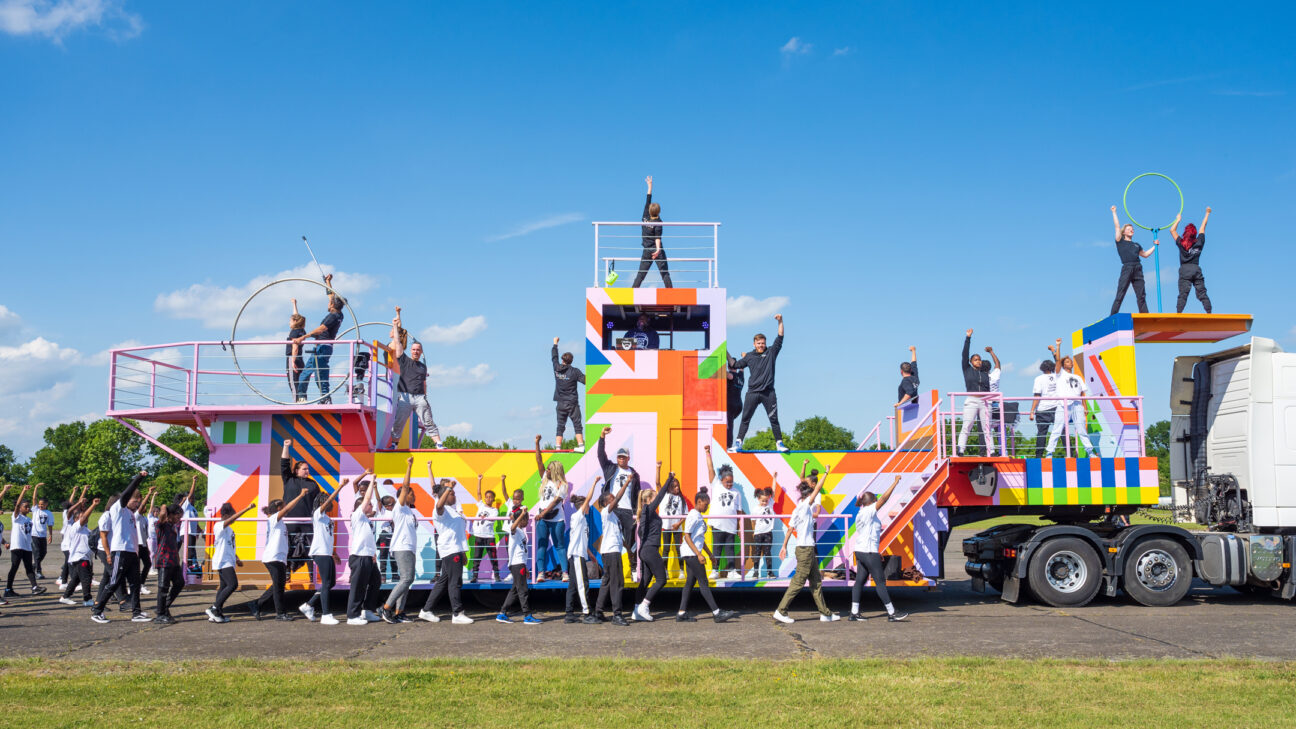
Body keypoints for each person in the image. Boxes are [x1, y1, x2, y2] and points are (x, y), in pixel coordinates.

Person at [773, 463, 838, 623]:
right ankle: (781, 611)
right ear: (808, 496)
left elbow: (790, 529)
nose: (814, 497)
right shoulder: (804, 507)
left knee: (816, 582)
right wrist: (826, 473)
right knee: (799, 581)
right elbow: (817, 489)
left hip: (804, 548)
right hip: (806, 549)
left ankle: (825, 613)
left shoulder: (798, 509)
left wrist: (783, 546)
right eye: (812, 495)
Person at [848, 476, 909, 622]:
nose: (877, 501)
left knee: (859, 582)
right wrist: (895, 482)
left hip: (862, 552)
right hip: (868, 552)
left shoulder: (861, 513)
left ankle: (854, 613)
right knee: (880, 582)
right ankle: (892, 613)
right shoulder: (869, 510)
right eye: (875, 499)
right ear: (871, 502)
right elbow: (884, 500)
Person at [91, 471, 149, 624]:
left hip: (132, 552)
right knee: (115, 581)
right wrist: (139, 478)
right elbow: (129, 490)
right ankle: (97, 611)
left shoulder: (130, 513)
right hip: (120, 551)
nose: (137, 504)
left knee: (135, 584)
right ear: (127, 499)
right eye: (135, 501)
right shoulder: (119, 508)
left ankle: (136, 613)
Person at [419, 463, 473, 624]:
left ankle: (426, 610)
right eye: (452, 493)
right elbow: (439, 503)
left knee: (443, 581)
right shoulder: (440, 510)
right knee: (454, 582)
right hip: (450, 550)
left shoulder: (453, 510)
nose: (454, 495)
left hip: (455, 549)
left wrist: (463, 552)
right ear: (445, 495)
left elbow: (458, 534)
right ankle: (457, 613)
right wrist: (448, 488)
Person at [676, 489, 739, 623]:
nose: (707, 507)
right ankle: (717, 613)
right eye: (706, 504)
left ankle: (681, 613)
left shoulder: (698, 515)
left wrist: (710, 554)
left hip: (692, 553)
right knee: (703, 582)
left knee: (690, 583)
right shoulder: (693, 515)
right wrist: (698, 554)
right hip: (691, 554)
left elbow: (699, 538)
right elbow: (686, 536)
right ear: (699, 502)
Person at [388, 307, 443, 449]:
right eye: (413, 349)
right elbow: (398, 343)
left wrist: (425, 397)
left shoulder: (423, 367)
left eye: (418, 350)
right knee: (399, 421)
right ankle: (394, 444)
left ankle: (438, 443)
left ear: (421, 352)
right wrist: (395, 325)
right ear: (410, 351)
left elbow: (424, 383)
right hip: (405, 397)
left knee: (428, 420)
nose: (415, 351)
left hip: (419, 397)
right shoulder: (404, 360)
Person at [251, 486, 309, 621]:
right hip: (273, 557)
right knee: (278, 587)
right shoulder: (274, 519)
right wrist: (300, 496)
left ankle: (257, 604)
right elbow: (288, 508)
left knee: (279, 585)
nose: (285, 509)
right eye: (282, 507)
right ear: (278, 509)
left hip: (279, 558)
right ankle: (279, 613)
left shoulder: (280, 522)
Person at [732, 314, 787, 452]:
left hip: (768, 393)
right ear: (754, 344)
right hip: (752, 393)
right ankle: (738, 443)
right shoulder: (749, 356)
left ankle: (779, 443)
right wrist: (724, 352)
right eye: (759, 343)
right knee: (746, 418)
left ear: (765, 343)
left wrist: (780, 321)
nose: (761, 345)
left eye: (763, 343)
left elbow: (780, 336)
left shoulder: (771, 352)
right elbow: (735, 364)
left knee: (774, 419)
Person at [299, 476, 346, 625]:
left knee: (330, 583)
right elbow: (326, 502)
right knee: (326, 583)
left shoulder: (326, 519)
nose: (330, 503)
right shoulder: (318, 514)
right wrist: (340, 487)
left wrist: (334, 553)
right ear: (322, 503)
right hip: (319, 552)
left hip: (327, 553)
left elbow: (328, 537)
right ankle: (326, 615)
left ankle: (308, 605)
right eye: (328, 501)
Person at [376, 461, 419, 624]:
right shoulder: (399, 508)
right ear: (404, 494)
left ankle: (399, 612)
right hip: (402, 547)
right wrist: (409, 467)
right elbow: (405, 485)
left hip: (410, 548)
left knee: (407, 579)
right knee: (407, 579)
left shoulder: (409, 510)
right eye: (411, 493)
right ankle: (385, 608)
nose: (413, 495)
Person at [293, 272, 345, 404]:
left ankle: (320, 398)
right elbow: (331, 296)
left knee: (316, 375)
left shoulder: (332, 317)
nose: (328, 303)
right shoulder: (339, 314)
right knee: (311, 374)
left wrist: (303, 337)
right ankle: (307, 397)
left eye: (330, 303)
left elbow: (321, 329)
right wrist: (328, 282)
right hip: (322, 348)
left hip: (322, 348)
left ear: (333, 305)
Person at [596, 426, 640, 574]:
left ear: (628, 458)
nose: (621, 459)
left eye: (623, 457)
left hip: (627, 510)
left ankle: (633, 567)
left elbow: (638, 494)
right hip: (612, 509)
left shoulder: (634, 473)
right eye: (619, 457)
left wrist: (638, 509)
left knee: (630, 539)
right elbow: (601, 455)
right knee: (612, 537)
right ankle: (611, 569)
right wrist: (602, 437)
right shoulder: (610, 468)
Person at [632, 465, 672, 622]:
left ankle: (636, 610)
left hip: (645, 550)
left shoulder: (645, 514)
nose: (657, 501)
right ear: (649, 500)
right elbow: (661, 495)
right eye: (654, 498)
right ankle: (644, 606)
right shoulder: (648, 509)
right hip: (649, 550)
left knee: (646, 581)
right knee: (662, 579)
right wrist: (669, 478)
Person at [593, 473, 634, 625]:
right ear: (606, 503)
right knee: (617, 582)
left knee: (608, 581)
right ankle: (617, 614)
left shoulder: (614, 517)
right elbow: (618, 497)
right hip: (611, 552)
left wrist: (628, 549)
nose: (614, 499)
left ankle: (598, 611)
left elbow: (618, 535)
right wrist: (627, 482)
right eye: (611, 498)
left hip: (612, 550)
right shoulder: (606, 512)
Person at [205, 501, 256, 623]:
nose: (234, 520)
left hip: (229, 560)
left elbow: (229, 545)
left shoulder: (230, 530)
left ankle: (217, 613)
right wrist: (246, 508)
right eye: (232, 516)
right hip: (222, 561)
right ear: (226, 515)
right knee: (233, 584)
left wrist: (237, 558)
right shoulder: (219, 525)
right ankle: (214, 608)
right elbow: (231, 519)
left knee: (223, 586)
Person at [279, 440, 320, 581]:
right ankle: (287, 575)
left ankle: (311, 576)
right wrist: (286, 446)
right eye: (304, 469)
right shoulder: (289, 479)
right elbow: (284, 463)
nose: (307, 471)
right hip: (290, 520)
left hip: (307, 522)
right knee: (288, 548)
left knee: (310, 549)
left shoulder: (313, 484)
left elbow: (319, 503)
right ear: (296, 470)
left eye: (308, 469)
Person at [703, 445, 746, 579]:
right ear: (722, 480)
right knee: (717, 548)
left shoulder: (736, 492)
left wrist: (740, 527)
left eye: (731, 482)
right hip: (717, 524)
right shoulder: (716, 485)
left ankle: (732, 570)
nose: (729, 484)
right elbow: (710, 469)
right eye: (727, 482)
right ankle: (715, 570)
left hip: (731, 525)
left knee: (730, 549)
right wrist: (708, 453)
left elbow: (739, 512)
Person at [346, 473, 383, 625]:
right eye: (369, 505)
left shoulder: (367, 520)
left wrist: (373, 554)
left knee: (376, 582)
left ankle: (367, 610)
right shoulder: (357, 515)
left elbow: (369, 538)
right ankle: (352, 616)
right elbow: (366, 499)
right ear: (362, 506)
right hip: (359, 557)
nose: (372, 506)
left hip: (368, 557)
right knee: (358, 587)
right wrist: (372, 480)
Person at [534, 434, 571, 581]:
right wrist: (537, 443)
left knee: (560, 546)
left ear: (555, 470)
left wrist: (543, 514)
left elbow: (556, 501)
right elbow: (538, 461)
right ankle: (541, 572)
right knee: (542, 544)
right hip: (542, 518)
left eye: (549, 469)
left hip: (556, 518)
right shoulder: (545, 479)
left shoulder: (562, 485)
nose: (546, 471)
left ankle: (565, 572)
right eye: (547, 469)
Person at [564, 477, 600, 624]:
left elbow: (581, 541)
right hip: (576, 555)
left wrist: (591, 555)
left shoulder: (583, 520)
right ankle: (586, 614)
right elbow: (589, 498)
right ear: (582, 507)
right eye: (587, 505)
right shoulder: (577, 516)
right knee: (582, 583)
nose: (588, 507)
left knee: (573, 584)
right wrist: (594, 483)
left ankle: (569, 613)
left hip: (579, 554)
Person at [1109, 206, 1157, 315]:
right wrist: (1114, 212)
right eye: (1129, 228)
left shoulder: (1136, 245)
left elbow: (1145, 255)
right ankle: (1112, 316)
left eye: (1132, 228)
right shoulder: (1120, 241)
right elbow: (1117, 227)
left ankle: (1145, 315)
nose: (1131, 229)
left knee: (1141, 295)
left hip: (1138, 268)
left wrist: (1155, 246)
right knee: (1120, 293)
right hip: (1127, 267)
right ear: (1124, 232)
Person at [496, 508, 541, 624]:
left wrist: (525, 566)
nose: (528, 522)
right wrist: (521, 514)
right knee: (523, 590)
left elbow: (522, 550)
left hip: (520, 563)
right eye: (526, 519)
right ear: (521, 520)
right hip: (517, 564)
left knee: (515, 590)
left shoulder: (521, 531)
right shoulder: (514, 529)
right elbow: (512, 527)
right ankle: (527, 616)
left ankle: (502, 613)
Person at [1049, 348, 1096, 456]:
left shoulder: (1078, 377)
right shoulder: (1060, 374)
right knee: (1057, 428)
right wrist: (1058, 346)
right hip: (1063, 404)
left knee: (1081, 429)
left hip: (1077, 404)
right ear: (1063, 364)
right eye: (1067, 361)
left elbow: (1082, 393)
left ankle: (1090, 451)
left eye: (1070, 362)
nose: (1070, 363)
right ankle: (1049, 452)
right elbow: (1057, 361)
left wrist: (1085, 407)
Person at [957, 329, 995, 457]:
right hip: (972, 400)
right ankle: (961, 449)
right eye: (975, 360)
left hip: (985, 401)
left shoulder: (985, 374)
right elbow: (964, 354)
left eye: (979, 360)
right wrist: (968, 338)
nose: (978, 361)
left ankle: (992, 451)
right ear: (971, 361)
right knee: (967, 425)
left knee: (987, 428)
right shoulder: (967, 370)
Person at [5, 485, 47, 597]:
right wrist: (23, 491)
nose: (28, 508)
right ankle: (8, 589)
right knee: (14, 567)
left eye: (29, 507)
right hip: (17, 546)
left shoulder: (28, 519)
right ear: (20, 508)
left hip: (27, 547)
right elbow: (18, 504)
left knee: (29, 568)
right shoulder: (16, 517)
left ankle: (34, 587)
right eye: (26, 507)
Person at [632, 175, 672, 288]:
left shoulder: (645, 216)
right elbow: (657, 238)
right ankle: (671, 294)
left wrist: (649, 186)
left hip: (646, 249)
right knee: (664, 273)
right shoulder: (659, 222)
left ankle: (631, 293)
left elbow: (647, 199)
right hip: (656, 249)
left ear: (649, 210)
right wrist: (658, 250)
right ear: (658, 212)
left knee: (641, 274)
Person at [1170, 207, 1213, 314]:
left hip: (1185, 270)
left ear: (1185, 233)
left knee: (1183, 294)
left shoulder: (1181, 242)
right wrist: (1207, 213)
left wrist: (1178, 220)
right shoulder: (1199, 241)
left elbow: (1172, 230)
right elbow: (1203, 227)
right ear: (1195, 233)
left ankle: (1179, 313)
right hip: (1196, 269)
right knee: (1202, 292)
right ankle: (1209, 312)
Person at [58, 497, 98, 607]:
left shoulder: (87, 531)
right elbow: (84, 516)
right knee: (86, 579)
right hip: (79, 558)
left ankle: (65, 597)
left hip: (85, 557)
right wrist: (93, 505)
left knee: (75, 579)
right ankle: (87, 599)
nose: (84, 519)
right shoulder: (75, 527)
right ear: (75, 520)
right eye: (81, 517)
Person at [152, 504, 186, 624]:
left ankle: (163, 607)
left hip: (173, 560)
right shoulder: (161, 525)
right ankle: (160, 614)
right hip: (164, 560)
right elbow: (161, 516)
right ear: (170, 515)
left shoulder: (173, 526)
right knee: (163, 587)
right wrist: (164, 507)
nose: (179, 519)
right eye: (178, 516)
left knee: (180, 583)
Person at [551, 338, 586, 452]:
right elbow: (586, 381)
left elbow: (554, 357)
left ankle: (558, 448)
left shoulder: (557, 368)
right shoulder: (575, 371)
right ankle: (581, 446)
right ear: (571, 361)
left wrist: (555, 344)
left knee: (560, 426)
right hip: (572, 403)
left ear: (563, 360)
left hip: (560, 403)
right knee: (577, 424)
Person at [468, 475, 501, 583]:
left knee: (493, 557)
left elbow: (492, 519)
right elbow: (478, 493)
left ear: (493, 499)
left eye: (490, 497)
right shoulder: (481, 505)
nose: (488, 498)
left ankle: (497, 575)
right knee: (477, 556)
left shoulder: (494, 510)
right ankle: (475, 576)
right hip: (479, 536)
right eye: (486, 497)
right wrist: (479, 480)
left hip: (489, 537)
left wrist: (485, 517)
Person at [57, 484, 89, 590]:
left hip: (71, 543)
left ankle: (63, 581)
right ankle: (70, 583)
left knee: (68, 562)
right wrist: (78, 500)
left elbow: (77, 504)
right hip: (67, 544)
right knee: (71, 564)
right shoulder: (68, 515)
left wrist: (83, 491)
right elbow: (71, 507)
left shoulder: (75, 515)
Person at [1029, 354, 1060, 458]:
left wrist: (1032, 411)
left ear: (1042, 368)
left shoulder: (1039, 379)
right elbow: (1058, 362)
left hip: (1043, 409)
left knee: (1042, 433)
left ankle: (1039, 455)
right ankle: (1071, 453)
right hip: (1057, 407)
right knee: (1063, 431)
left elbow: (1037, 395)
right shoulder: (1057, 376)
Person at [659, 473, 685, 579]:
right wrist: (658, 468)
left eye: (678, 485)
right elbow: (657, 483)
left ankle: (682, 571)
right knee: (666, 549)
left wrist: (678, 524)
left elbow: (685, 515)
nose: (677, 488)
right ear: (669, 487)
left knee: (679, 549)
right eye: (674, 486)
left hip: (677, 528)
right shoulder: (664, 495)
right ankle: (665, 571)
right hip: (666, 527)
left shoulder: (681, 499)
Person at [748, 482, 776, 580]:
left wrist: (774, 479)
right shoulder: (755, 509)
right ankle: (755, 572)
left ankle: (770, 572)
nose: (764, 503)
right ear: (758, 499)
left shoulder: (770, 505)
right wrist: (754, 532)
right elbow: (753, 522)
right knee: (757, 552)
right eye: (762, 501)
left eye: (766, 501)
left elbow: (773, 491)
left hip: (768, 532)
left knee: (768, 552)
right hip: (758, 533)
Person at [178, 474, 202, 574]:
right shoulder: (185, 506)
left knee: (192, 551)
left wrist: (199, 530)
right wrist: (194, 482)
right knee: (190, 551)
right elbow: (191, 494)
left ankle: (187, 569)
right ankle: (184, 569)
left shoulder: (193, 508)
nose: (193, 499)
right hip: (186, 531)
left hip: (192, 532)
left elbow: (195, 522)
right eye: (192, 498)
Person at [286, 298, 308, 399]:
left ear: (295, 322)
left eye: (290, 321)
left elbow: (294, 347)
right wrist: (294, 304)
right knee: (300, 382)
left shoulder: (294, 332)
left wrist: (293, 361)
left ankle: (296, 402)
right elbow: (296, 316)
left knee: (293, 383)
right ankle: (302, 400)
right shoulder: (301, 330)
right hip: (300, 358)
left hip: (293, 358)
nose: (289, 323)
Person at [30, 483, 52, 579]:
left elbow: (50, 524)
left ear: (46, 504)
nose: (40, 506)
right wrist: (36, 487)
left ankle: (33, 567)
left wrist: (50, 535)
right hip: (34, 535)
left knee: (43, 553)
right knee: (37, 553)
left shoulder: (48, 513)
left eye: (42, 504)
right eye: (39, 504)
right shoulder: (35, 510)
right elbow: (34, 498)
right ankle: (38, 572)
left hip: (43, 535)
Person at [725, 354, 745, 449]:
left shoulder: (731, 375)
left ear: (729, 366)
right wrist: (744, 358)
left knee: (729, 426)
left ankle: (728, 445)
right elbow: (742, 367)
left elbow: (725, 374)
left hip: (730, 404)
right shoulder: (741, 376)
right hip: (739, 406)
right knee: (730, 423)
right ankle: (728, 443)